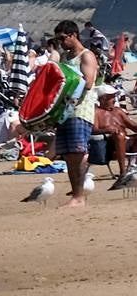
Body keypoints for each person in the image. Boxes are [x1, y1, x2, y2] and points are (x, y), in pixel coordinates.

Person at [52, 19, 98, 206]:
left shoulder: (86, 56)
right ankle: (76, 196)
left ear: (74, 35)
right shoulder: (65, 57)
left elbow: (88, 82)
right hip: (65, 112)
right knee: (69, 156)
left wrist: (68, 81)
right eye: (58, 39)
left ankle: (79, 197)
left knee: (77, 154)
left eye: (63, 38)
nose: (61, 42)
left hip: (80, 110)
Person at [93, 85, 137, 178]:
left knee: (122, 135)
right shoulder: (97, 113)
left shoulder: (118, 111)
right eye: (112, 97)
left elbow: (133, 126)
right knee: (119, 135)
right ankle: (123, 171)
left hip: (126, 141)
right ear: (103, 99)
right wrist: (107, 130)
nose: (114, 100)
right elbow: (93, 130)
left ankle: (133, 166)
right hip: (110, 145)